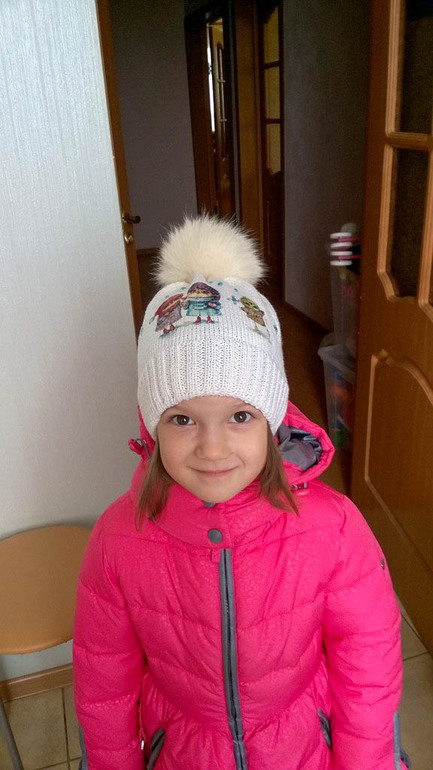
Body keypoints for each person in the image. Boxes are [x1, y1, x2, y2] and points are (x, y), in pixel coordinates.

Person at [73, 215, 409, 770]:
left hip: (302, 750)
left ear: (273, 421)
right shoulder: (117, 540)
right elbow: (104, 685)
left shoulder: (333, 527)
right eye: (182, 419)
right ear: (152, 426)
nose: (212, 448)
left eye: (239, 416)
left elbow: (368, 666)